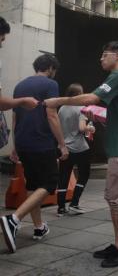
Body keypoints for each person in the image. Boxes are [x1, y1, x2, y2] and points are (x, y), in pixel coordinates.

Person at [44, 41, 118, 268]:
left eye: (104, 54)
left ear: (117, 55)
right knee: (112, 197)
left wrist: (59, 100)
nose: (100, 59)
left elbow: (91, 98)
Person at [1, 54, 68, 253]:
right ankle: (14, 218)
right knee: (49, 182)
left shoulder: (20, 85)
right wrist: (62, 144)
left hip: (23, 141)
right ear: (50, 68)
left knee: (32, 184)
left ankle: (39, 227)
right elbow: (52, 114)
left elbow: (15, 115)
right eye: (54, 70)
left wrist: (15, 145)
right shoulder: (50, 84)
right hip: (42, 141)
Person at [57, 83, 96, 216]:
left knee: (63, 176)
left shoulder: (61, 108)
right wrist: (90, 126)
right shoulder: (81, 109)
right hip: (80, 148)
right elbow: (81, 128)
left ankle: (61, 208)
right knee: (84, 174)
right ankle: (74, 203)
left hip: (65, 148)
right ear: (78, 95)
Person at [0, 16, 38, 111]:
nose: (1, 45)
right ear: (50, 68)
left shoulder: (21, 85)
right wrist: (23, 101)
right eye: (2, 39)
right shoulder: (52, 85)